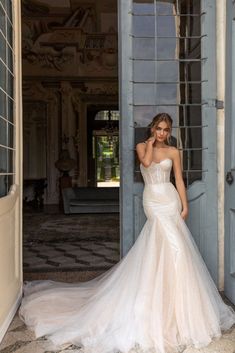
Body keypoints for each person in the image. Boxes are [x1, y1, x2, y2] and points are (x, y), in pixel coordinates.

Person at [19, 113, 235, 353]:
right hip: (152, 200)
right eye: (159, 128)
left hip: (169, 199)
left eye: (166, 129)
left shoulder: (174, 151)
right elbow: (145, 163)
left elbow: (179, 180)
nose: (162, 133)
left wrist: (185, 205)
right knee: (169, 245)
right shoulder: (142, 146)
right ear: (153, 128)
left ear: (170, 131)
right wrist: (152, 143)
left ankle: (174, 308)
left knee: (175, 249)